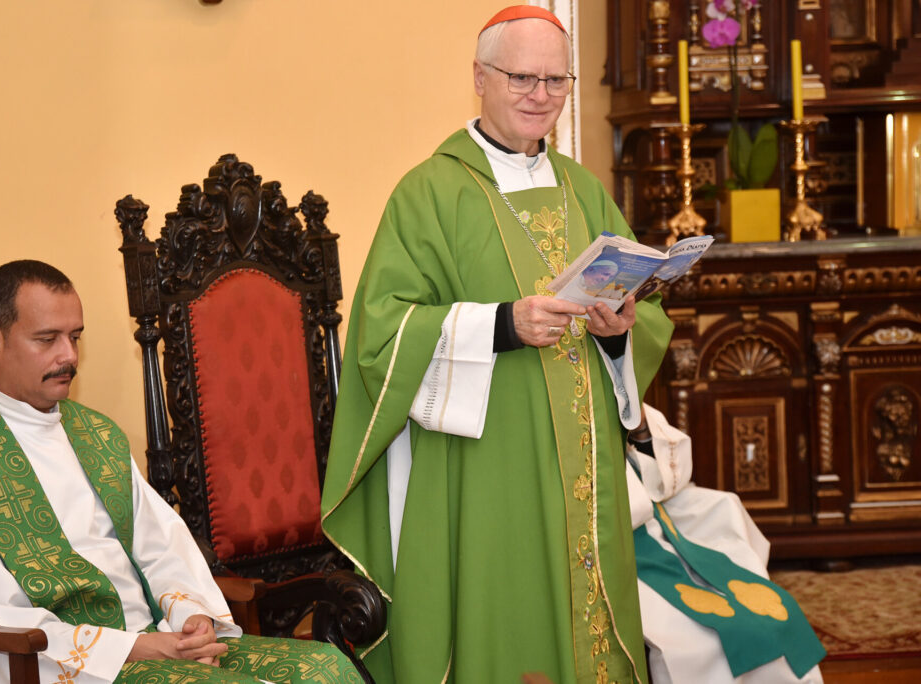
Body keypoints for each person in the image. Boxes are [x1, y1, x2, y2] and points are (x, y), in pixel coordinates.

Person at [320, 6, 673, 683]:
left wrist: (619, 332)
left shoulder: (584, 188)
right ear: (479, 78)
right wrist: (502, 325)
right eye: (522, 78)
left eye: (556, 80)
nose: (541, 96)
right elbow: (382, 333)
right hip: (484, 470)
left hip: (583, 465)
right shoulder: (430, 192)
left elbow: (642, 313)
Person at [0, 260, 361, 684]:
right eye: (47, 339)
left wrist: (191, 619)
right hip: (68, 668)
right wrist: (134, 649)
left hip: (157, 640)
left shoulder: (95, 435)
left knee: (325, 669)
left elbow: (161, 547)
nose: (69, 356)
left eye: (75, 337)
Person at [626, 405, 826, 684]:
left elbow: (661, 472)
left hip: (652, 524)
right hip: (616, 541)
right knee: (700, 640)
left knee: (770, 616)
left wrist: (642, 429)